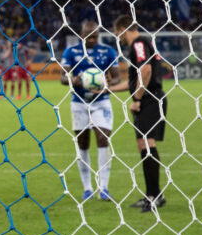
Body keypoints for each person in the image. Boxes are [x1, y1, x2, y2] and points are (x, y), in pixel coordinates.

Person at [108, 15, 167, 213]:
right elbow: (134, 81)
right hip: (151, 98)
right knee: (144, 144)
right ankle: (153, 194)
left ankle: (154, 196)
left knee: (147, 144)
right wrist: (109, 89)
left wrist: (137, 99)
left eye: (119, 34)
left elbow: (146, 70)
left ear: (125, 28)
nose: (119, 38)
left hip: (150, 100)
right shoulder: (143, 44)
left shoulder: (139, 43)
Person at [60, 21, 120, 201]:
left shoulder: (108, 51)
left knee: (103, 138)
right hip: (78, 103)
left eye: (95, 36)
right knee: (83, 143)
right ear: (81, 35)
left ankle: (104, 188)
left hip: (101, 102)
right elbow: (63, 78)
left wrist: (108, 84)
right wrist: (74, 80)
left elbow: (117, 77)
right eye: (89, 36)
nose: (92, 39)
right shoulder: (71, 52)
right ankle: (87, 188)